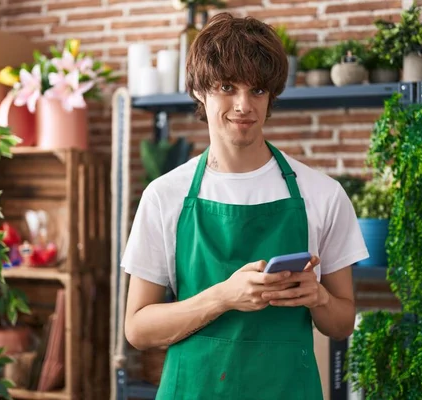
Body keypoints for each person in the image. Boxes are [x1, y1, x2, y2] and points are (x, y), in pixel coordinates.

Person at [121, 12, 369, 400]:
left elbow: (342, 323)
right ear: (200, 91)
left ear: (271, 96)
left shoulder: (322, 194)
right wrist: (224, 296)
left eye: (257, 90)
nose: (243, 105)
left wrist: (318, 297)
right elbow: (137, 329)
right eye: (226, 86)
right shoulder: (164, 195)